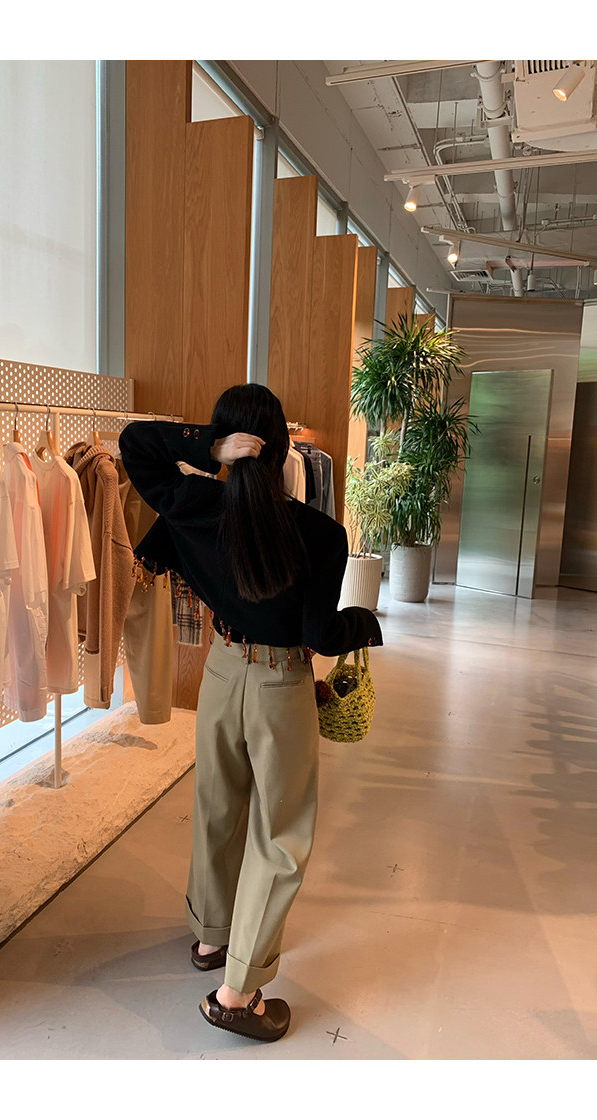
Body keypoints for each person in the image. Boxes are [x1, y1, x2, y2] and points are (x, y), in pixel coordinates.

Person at [119, 384, 382, 1043]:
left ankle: (212, 939)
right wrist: (365, 624)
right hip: (278, 683)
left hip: (221, 670)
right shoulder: (320, 534)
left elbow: (136, 443)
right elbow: (321, 635)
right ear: (284, 446)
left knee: (217, 805)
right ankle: (237, 993)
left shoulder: (194, 505)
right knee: (282, 834)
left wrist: (206, 449)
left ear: (229, 442)